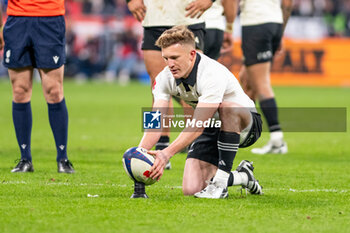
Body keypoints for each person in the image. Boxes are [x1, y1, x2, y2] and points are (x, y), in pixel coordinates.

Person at [137, 26, 263, 199]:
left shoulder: (211, 73)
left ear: (192, 54)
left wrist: (166, 153)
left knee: (227, 108)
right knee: (192, 188)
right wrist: (139, 153)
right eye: (166, 58)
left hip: (246, 125)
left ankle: (220, 186)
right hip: (212, 126)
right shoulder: (163, 78)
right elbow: (155, 121)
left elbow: (197, 125)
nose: (170, 64)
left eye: (174, 57)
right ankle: (242, 176)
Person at [127, 0, 214, 169]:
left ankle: (196, 146)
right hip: (155, 19)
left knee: (193, 88)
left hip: (189, 18)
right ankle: (159, 145)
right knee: (157, 87)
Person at [1, 1, 75, 173]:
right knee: (19, 91)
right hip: (17, 19)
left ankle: (62, 159)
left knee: (54, 91)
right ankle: (25, 159)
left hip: (50, 18)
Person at [234, 0, 293, 154]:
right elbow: (288, 4)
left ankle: (277, 139)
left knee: (261, 85)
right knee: (247, 80)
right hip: (274, 22)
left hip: (255, 22)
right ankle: (240, 133)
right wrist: (279, 32)